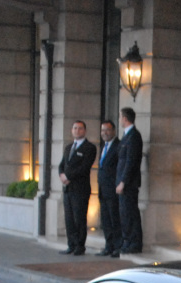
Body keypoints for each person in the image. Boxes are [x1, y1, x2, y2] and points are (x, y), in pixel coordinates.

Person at [57, 120, 96, 255]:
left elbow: (84, 168)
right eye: (75, 128)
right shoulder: (68, 147)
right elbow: (61, 165)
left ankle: (80, 246)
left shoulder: (89, 148)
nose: (77, 131)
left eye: (80, 128)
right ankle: (71, 244)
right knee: (69, 218)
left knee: (79, 218)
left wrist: (68, 177)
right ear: (71, 130)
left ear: (84, 131)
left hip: (80, 189)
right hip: (68, 189)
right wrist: (61, 174)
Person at [116, 107, 143, 254]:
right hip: (123, 183)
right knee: (124, 214)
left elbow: (130, 162)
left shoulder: (134, 136)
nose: (119, 120)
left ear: (125, 119)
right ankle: (127, 241)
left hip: (129, 184)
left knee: (130, 213)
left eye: (120, 117)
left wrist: (123, 182)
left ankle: (134, 243)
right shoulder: (127, 136)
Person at [93, 119, 122, 257]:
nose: (105, 133)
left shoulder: (118, 146)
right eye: (103, 130)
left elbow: (119, 168)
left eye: (107, 130)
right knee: (105, 220)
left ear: (114, 131)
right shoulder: (104, 146)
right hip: (103, 190)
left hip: (113, 189)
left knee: (114, 219)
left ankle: (117, 246)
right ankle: (108, 246)